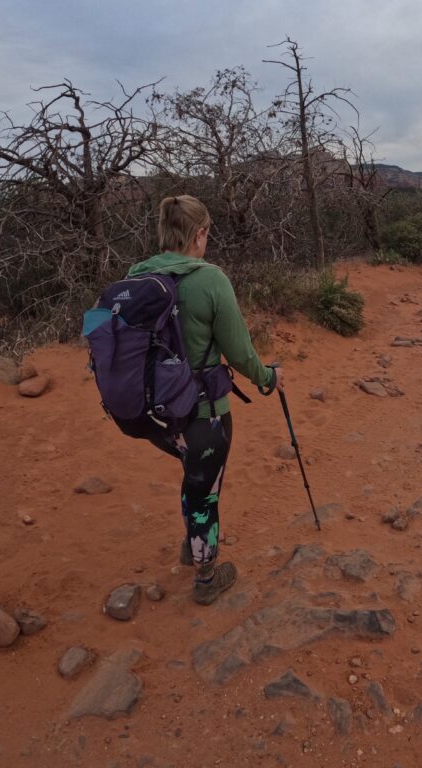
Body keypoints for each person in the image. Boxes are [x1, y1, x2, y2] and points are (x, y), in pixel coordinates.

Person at [126, 195, 283, 605]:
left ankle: (189, 545)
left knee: (192, 475)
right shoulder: (210, 280)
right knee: (205, 491)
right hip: (203, 414)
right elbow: (240, 351)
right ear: (199, 233)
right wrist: (269, 379)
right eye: (207, 233)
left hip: (157, 416)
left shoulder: (138, 276)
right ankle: (207, 575)